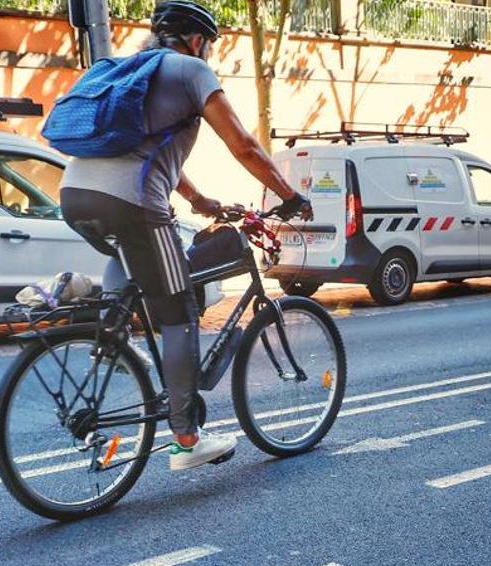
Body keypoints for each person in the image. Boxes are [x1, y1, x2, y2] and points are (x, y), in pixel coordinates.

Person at [59, 0, 311, 471]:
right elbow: (244, 144)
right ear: (198, 40)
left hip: (74, 195)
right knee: (179, 312)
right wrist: (289, 195)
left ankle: (102, 329)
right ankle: (186, 438)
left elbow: (146, 151)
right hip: (132, 204)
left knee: (131, 262)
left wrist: (199, 201)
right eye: (209, 44)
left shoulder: (129, 69)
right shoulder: (190, 71)